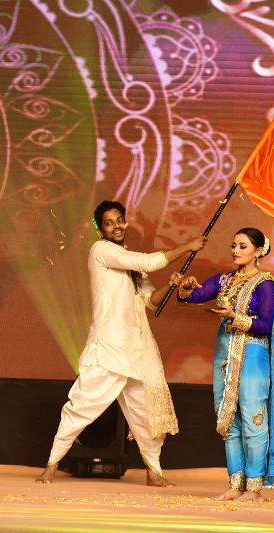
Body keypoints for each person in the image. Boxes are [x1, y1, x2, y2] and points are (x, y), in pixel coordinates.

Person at [36, 200, 206, 486]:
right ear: (100, 230)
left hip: (137, 348)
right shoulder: (101, 251)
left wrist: (172, 284)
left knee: (146, 413)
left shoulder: (129, 260)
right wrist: (188, 245)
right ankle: (51, 465)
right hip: (109, 346)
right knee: (82, 405)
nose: (116, 226)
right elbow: (148, 261)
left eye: (119, 220)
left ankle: (154, 472)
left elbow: (151, 301)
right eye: (109, 222)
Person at [174, 227, 274, 502]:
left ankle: (254, 487)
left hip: (253, 356)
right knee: (228, 419)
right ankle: (235, 484)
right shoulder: (224, 280)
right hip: (225, 356)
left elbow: (264, 325)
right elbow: (194, 297)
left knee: (252, 417)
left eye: (242, 246)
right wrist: (186, 287)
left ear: (258, 251)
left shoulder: (265, 283)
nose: (236, 251)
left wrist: (235, 317)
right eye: (233, 245)